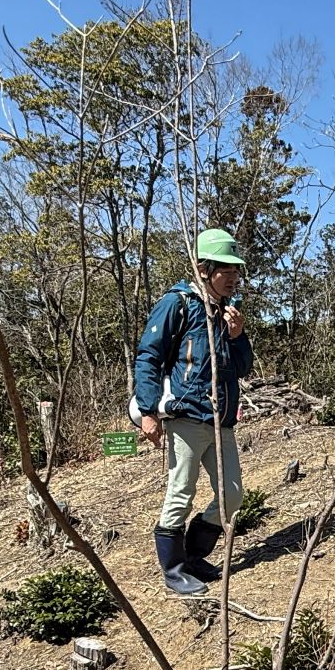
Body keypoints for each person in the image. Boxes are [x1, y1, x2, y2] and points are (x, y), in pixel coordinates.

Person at [133, 228, 253, 597]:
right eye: (225, 271)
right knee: (180, 491)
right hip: (185, 414)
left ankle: (195, 554)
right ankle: (173, 568)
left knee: (233, 495)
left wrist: (238, 336)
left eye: (236, 272)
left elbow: (243, 367)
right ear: (204, 269)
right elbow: (149, 355)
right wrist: (147, 410)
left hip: (221, 419)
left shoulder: (227, 313)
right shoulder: (178, 302)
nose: (233, 278)